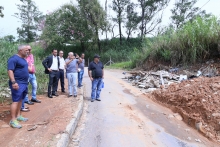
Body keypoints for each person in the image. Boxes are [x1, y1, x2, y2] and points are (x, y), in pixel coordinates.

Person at [7, 45, 29, 128]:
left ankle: (18, 116)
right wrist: (13, 82)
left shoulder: (23, 59)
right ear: (20, 50)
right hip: (17, 83)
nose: (28, 51)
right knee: (15, 101)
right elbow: (10, 70)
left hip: (24, 83)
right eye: (26, 50)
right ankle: (13, 120)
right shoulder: (13, 59)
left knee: (20, 99)